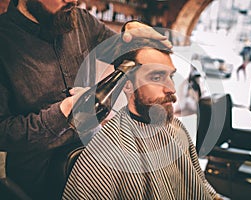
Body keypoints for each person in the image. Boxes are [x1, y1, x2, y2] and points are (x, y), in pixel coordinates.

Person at [0, 0, 172, 199]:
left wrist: (131, 33)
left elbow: (124, 55)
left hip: (91, 166)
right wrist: (63, 111)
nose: (73, 1)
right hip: (38, 182)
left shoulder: (81, 21)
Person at [63, 38, 222, 200]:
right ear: (127, 85)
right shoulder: (103, 158)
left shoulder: (176, 129)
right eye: (156, 77)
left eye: (170, 77)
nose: (171, 89)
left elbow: (200, 185)